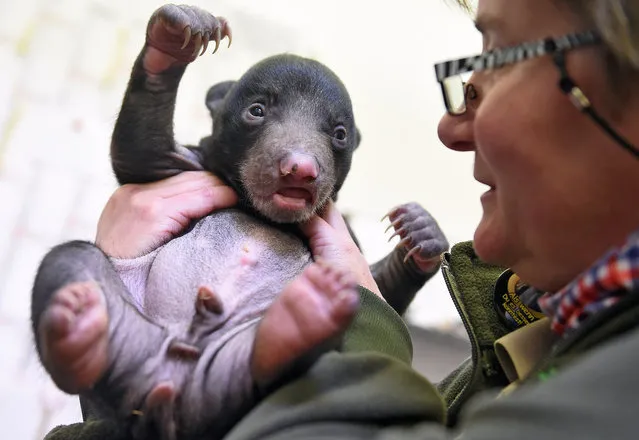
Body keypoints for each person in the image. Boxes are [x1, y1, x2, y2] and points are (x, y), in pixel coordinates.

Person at [43, 0, 639, 438]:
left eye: (497, 66)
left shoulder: (601, 389)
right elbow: (143, 155)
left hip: (221, 380)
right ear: (221, 114)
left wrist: (395, 277)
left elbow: (362, 300)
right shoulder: (531, 348)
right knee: (71, 265)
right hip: (142, 373)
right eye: (468, 80)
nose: (302, 161)